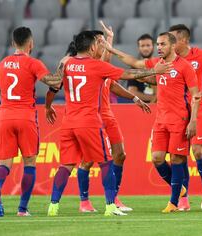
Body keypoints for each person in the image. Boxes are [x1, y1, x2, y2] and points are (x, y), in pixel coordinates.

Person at [46, 30, 170, 216]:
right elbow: (128, 74)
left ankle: (53, 206)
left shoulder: (67, 64)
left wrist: (48, 106)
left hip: (68, 122)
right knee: (106, 163)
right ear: (92, 46)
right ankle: (111, 206)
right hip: (89, 122)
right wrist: (154, 70)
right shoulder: (96, 66)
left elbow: (53, 86)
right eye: (98, 44)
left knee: (66, 165)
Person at [102, 31, 201, 213]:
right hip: (160, 119)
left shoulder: (184, 66)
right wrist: (112, 50)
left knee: (177, 159)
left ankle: (173, 202)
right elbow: (136, 65)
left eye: (162, 44)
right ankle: (180, 189)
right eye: (158, 44)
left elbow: (196, 95)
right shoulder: (158, 64)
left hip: (179, 119)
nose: (159, 48)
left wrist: (193, 121)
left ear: (172, 46)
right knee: (156, 158)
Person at [0, 26, 63, 217]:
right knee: (29, 163)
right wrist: (64, 71)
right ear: (31, 43)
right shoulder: (33, 63)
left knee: (4, 162)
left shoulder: (1, 64)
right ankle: (22, 209)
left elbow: (0, 93)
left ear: (13, 43)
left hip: (5, 116)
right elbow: (53, 82)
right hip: (25, 117)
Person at [168, 24, 202, 211]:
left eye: (174, 39)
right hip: (177, 111)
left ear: (185, 40)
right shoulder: (170, 59)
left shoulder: (201, 54)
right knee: (179, 156)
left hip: (199, 108)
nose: (170, 43)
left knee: (197, 152)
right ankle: (184, 197)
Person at [127, 34, 157, 103]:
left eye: (148, 45)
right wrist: (153, 98)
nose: (145, 49)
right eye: (142, 46)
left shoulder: (159, 65)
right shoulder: (134, 68)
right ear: (138, 48)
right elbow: (132, 92)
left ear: (153, 46)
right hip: (141, 107)